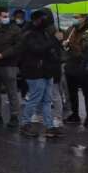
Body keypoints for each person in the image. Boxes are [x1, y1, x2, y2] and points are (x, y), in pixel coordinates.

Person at [14, 9, 63, 139]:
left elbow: (50, 50)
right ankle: (25, 123)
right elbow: (37, 49)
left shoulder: (44, 33)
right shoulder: (28, 34)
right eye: (43, 19)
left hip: (46, 70)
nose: (46, 21)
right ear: (36, 20)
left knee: (47, 100)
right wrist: (53, 39)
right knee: (35, 99)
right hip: (34, 71)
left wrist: (57, 43)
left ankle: (49, 126)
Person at [62, 14, 88, 125]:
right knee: (72, 93)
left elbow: (85, 51)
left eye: (78, 16)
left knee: (87, 93)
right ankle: (75, 115)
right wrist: (65, 44)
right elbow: (66, 46)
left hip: (84, 67)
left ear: (84, 18)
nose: (75, 18)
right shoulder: (71, 29)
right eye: (74, 16)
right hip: (71, 66)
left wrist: (71, 46)